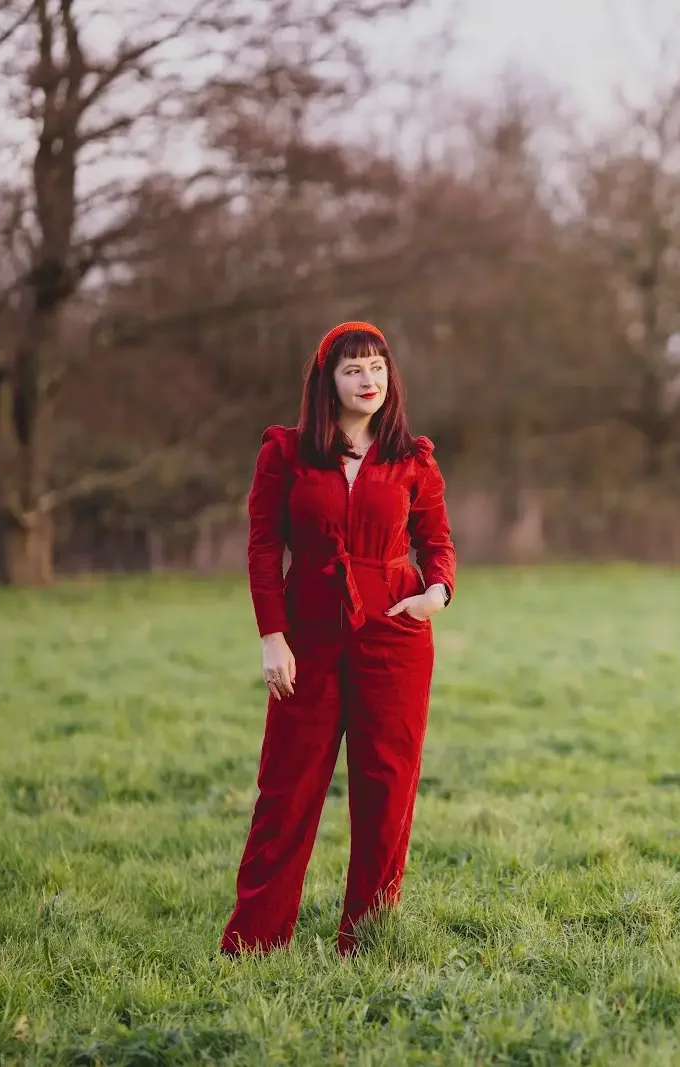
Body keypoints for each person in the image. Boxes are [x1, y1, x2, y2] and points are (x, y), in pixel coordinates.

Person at [219, 321, 457, 957]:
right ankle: (254, 943)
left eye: (377, 366)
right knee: (287, 790)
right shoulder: (285, 453)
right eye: (353, 368)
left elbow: (437, 544)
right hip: (310, 632)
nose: (368, 379)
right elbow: (264, 548)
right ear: (327, 382)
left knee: (387, 790)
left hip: (395, 631)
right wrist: (274, 637)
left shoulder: (413, 458)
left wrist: (436, 593)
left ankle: (368, 940)